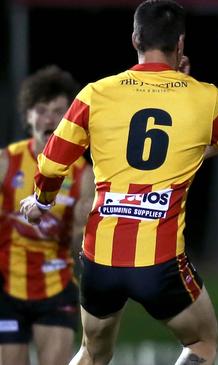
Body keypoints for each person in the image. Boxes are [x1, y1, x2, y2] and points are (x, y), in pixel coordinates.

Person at [19, 1, 218, 364]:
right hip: (159, 263)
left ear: (135, 38)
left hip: (100, 258)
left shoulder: (96, 94)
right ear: (180, 44)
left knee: (92, 353)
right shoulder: (204, 96)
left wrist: (42, 201)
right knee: (202, 344)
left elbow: (51, 163)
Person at [0, 66, 93, 365]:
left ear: (69, 119)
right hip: (6, 287)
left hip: (56, 286)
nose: (49, 120)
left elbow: (81, 242)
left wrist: (82, 224)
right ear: (27, 116)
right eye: (40, 110)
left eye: (57, 111)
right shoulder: (6, 162)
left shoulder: (84, 174)